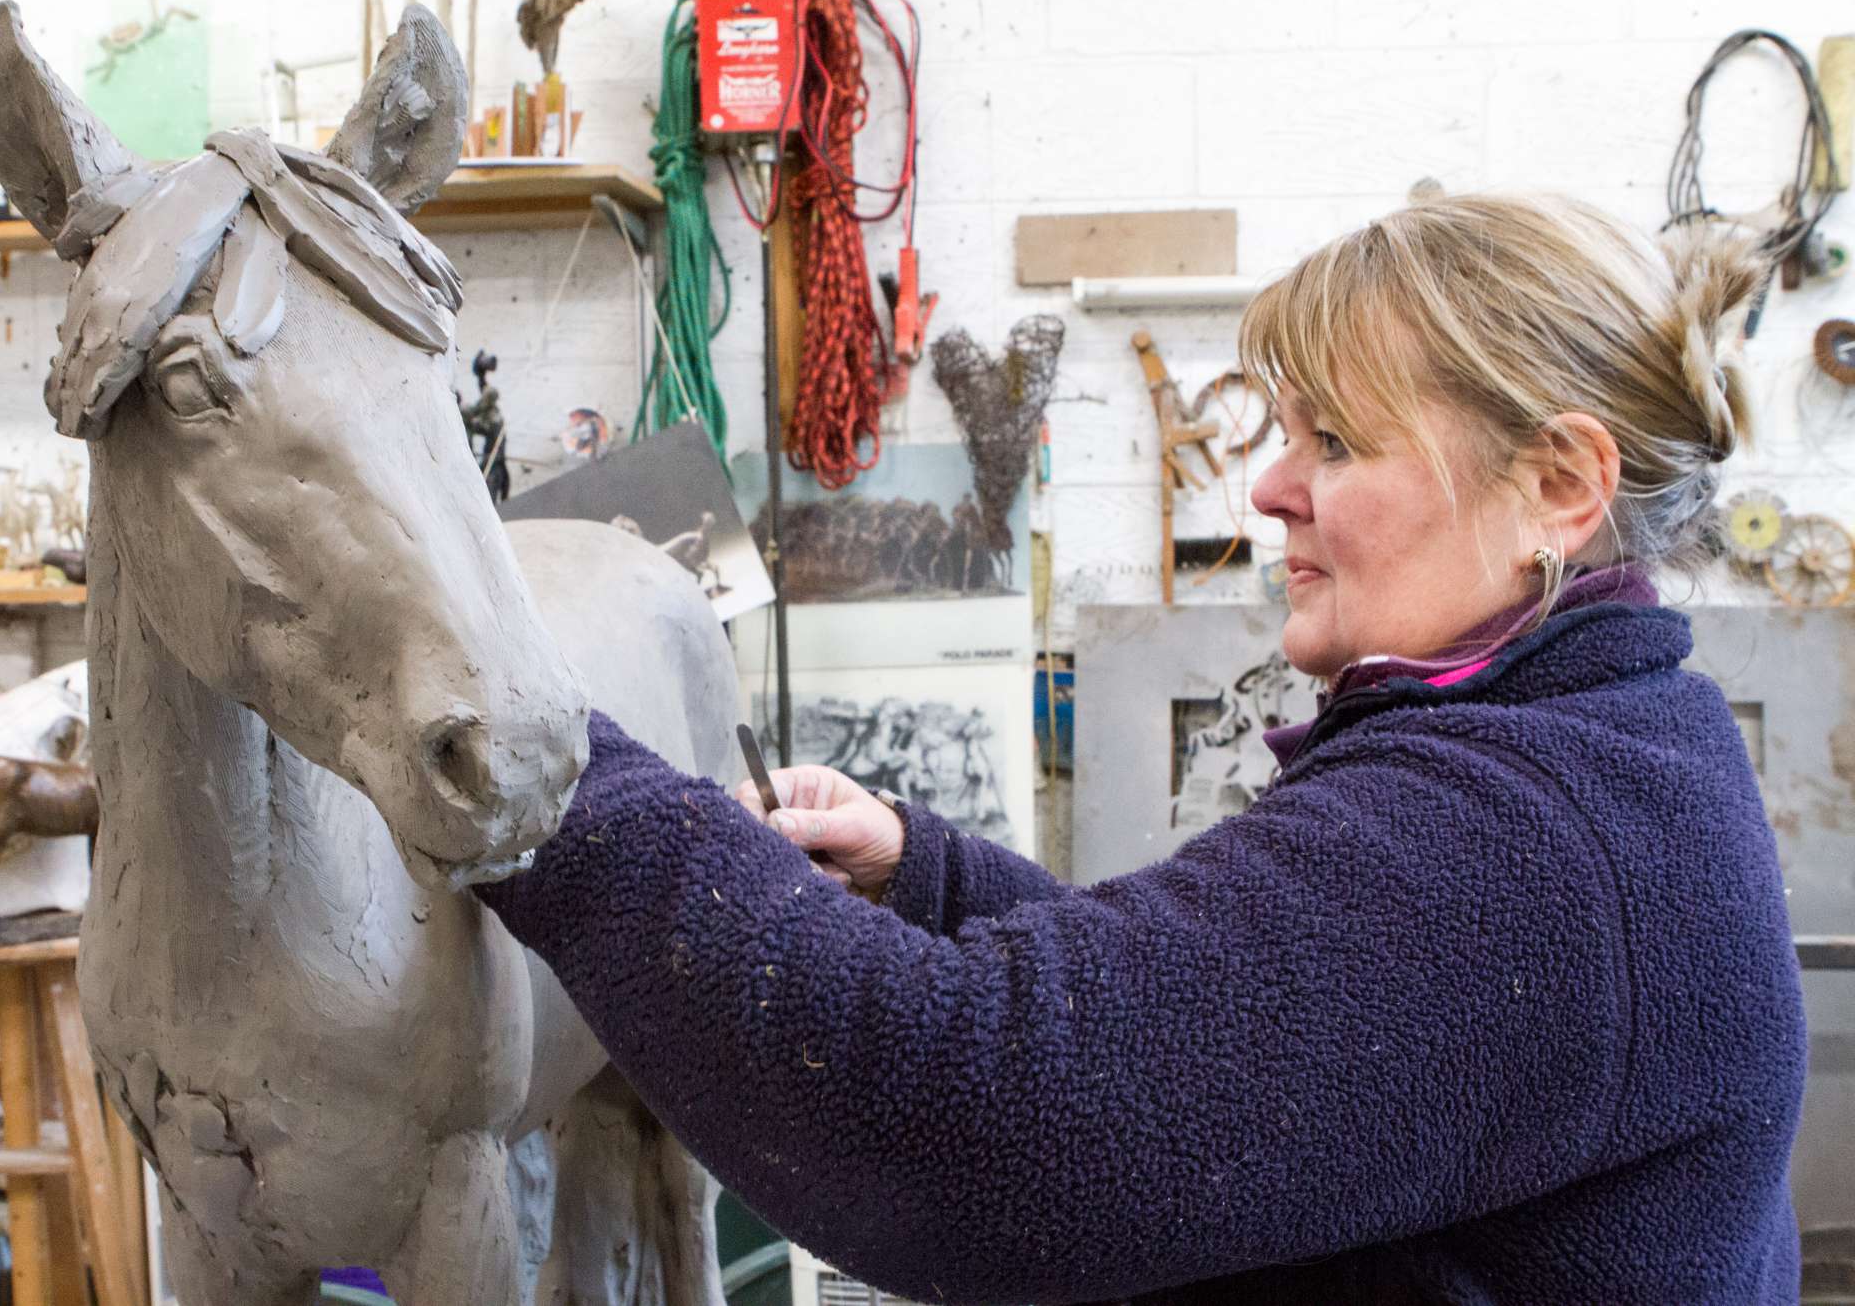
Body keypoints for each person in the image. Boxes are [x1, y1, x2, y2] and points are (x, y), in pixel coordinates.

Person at [474, 194, 1807, 1304]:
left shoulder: (1521, 834)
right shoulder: (1605, 748)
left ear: (1560, 488)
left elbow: (979, 1124)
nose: (1272, 486)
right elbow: (1255, 1054)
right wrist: (928, 878)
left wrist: (548, 770)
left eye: (1333, 440)